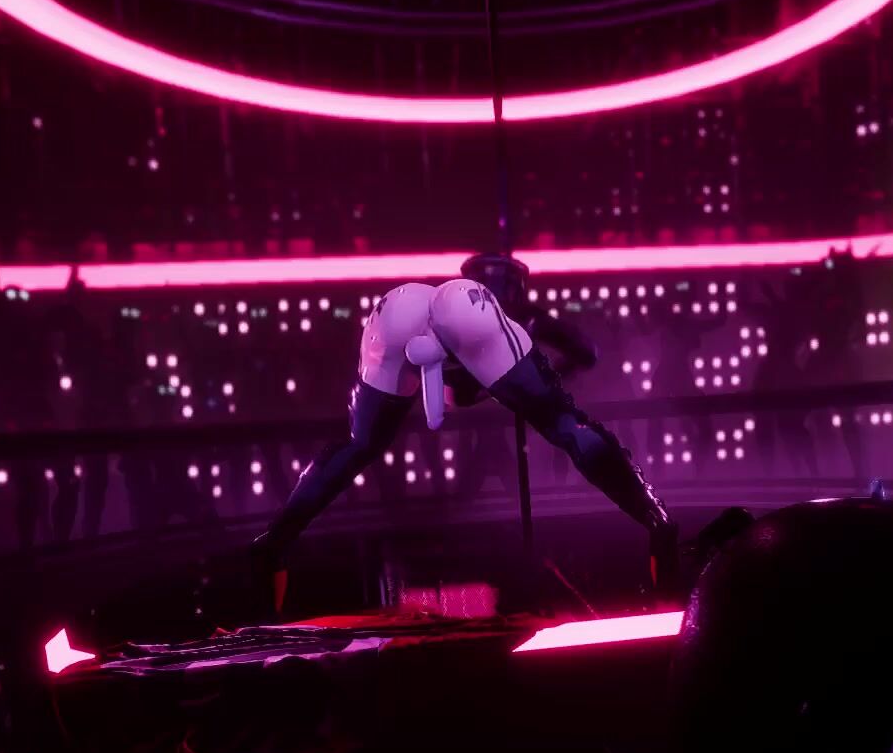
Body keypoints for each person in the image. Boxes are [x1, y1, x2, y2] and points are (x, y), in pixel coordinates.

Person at [251, 253, 674, 612]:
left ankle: (275, 541)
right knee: (566, 425)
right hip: (470, 316)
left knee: (358, 445)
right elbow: (586, 353)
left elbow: (457, 391)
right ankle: (655, 521)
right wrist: (538, 380)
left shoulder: (451, 307)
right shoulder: (512, 315)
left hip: (398, 307)